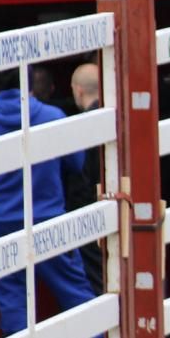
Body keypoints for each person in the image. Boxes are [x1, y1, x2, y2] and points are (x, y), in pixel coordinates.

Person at [0, 69, 109, 338]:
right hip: (49, 218)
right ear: (31, 84)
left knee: (11, 296)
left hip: (2, 223)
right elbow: (76, 164)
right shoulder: (54, 117)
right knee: (73, 288)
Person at [66, 62, 105, 298]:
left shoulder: (78, 128)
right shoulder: (117, 119)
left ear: (78, 91)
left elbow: (79, 175)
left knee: (97, 281)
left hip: (88, 215)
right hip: (117, 207)